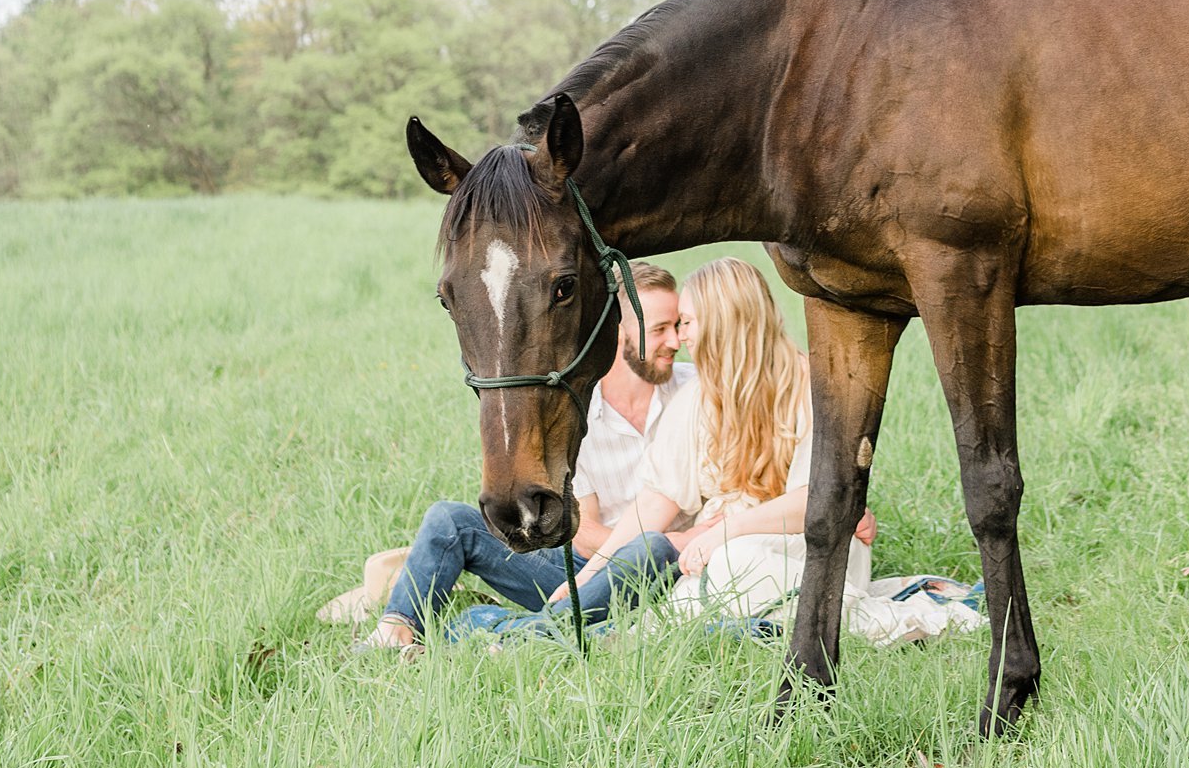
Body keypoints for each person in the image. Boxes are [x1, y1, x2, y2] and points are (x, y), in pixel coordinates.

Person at [354, 261, 693, 651]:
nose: (676, 341)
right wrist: (662, 538)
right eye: (660, 329)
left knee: (651, 549)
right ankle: (395, 631)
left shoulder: (693, 389)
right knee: (451, 521)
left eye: (678, 325)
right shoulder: (574, 409)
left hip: (667, 572)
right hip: (583, 573)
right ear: (617, 329)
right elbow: (581, 535)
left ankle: (489, 632)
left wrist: (663, 544)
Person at [551, 255, 874, 624]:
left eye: (686, 322)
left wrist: (724, 531)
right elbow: (657, 501)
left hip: (796, 548)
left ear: (722, 321)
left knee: (715, 575)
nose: (681, 337)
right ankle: (531, 632)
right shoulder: (700, 396)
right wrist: (588, 575)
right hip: (718, 552)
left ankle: (533, 633)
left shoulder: (810, 388)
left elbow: (818, 497)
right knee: (655, 612)